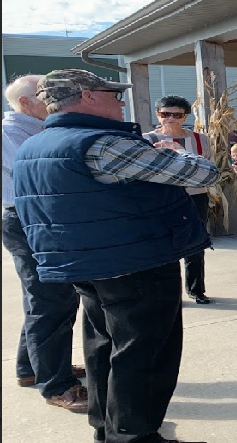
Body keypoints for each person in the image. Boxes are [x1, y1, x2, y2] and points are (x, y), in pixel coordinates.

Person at [13, 69, 219, 443]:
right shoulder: (103, 144)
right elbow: (203, 174)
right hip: (135, 261)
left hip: (87, 264)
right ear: (87, 97)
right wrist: (171, 150)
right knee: (145, 355)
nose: (120, 100)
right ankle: (134, 435)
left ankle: (107, 429)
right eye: (112, 94)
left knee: (103, 348)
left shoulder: (36, 144)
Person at [2, 74, 88, 412]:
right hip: (28, 219)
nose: (52, 100)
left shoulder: (33, 128)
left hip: (36, 218)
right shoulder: (12, 132)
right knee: (50, 298)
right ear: (25, 102)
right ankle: (56, 384)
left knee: (48, 297)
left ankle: (31, 368)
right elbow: (46, 173)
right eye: (44, 94)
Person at [143, 95, 214, 304]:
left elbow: (206, 166)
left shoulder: (201, 139)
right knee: (163, 244)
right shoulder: (147, 139)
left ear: (185, 117)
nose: (171, 118)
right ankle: (167, 292)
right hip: (162, 198)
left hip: (195, 195)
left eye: (177, 115)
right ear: (158, 114)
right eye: (166, 114)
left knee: (196, 243)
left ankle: (196, 289)